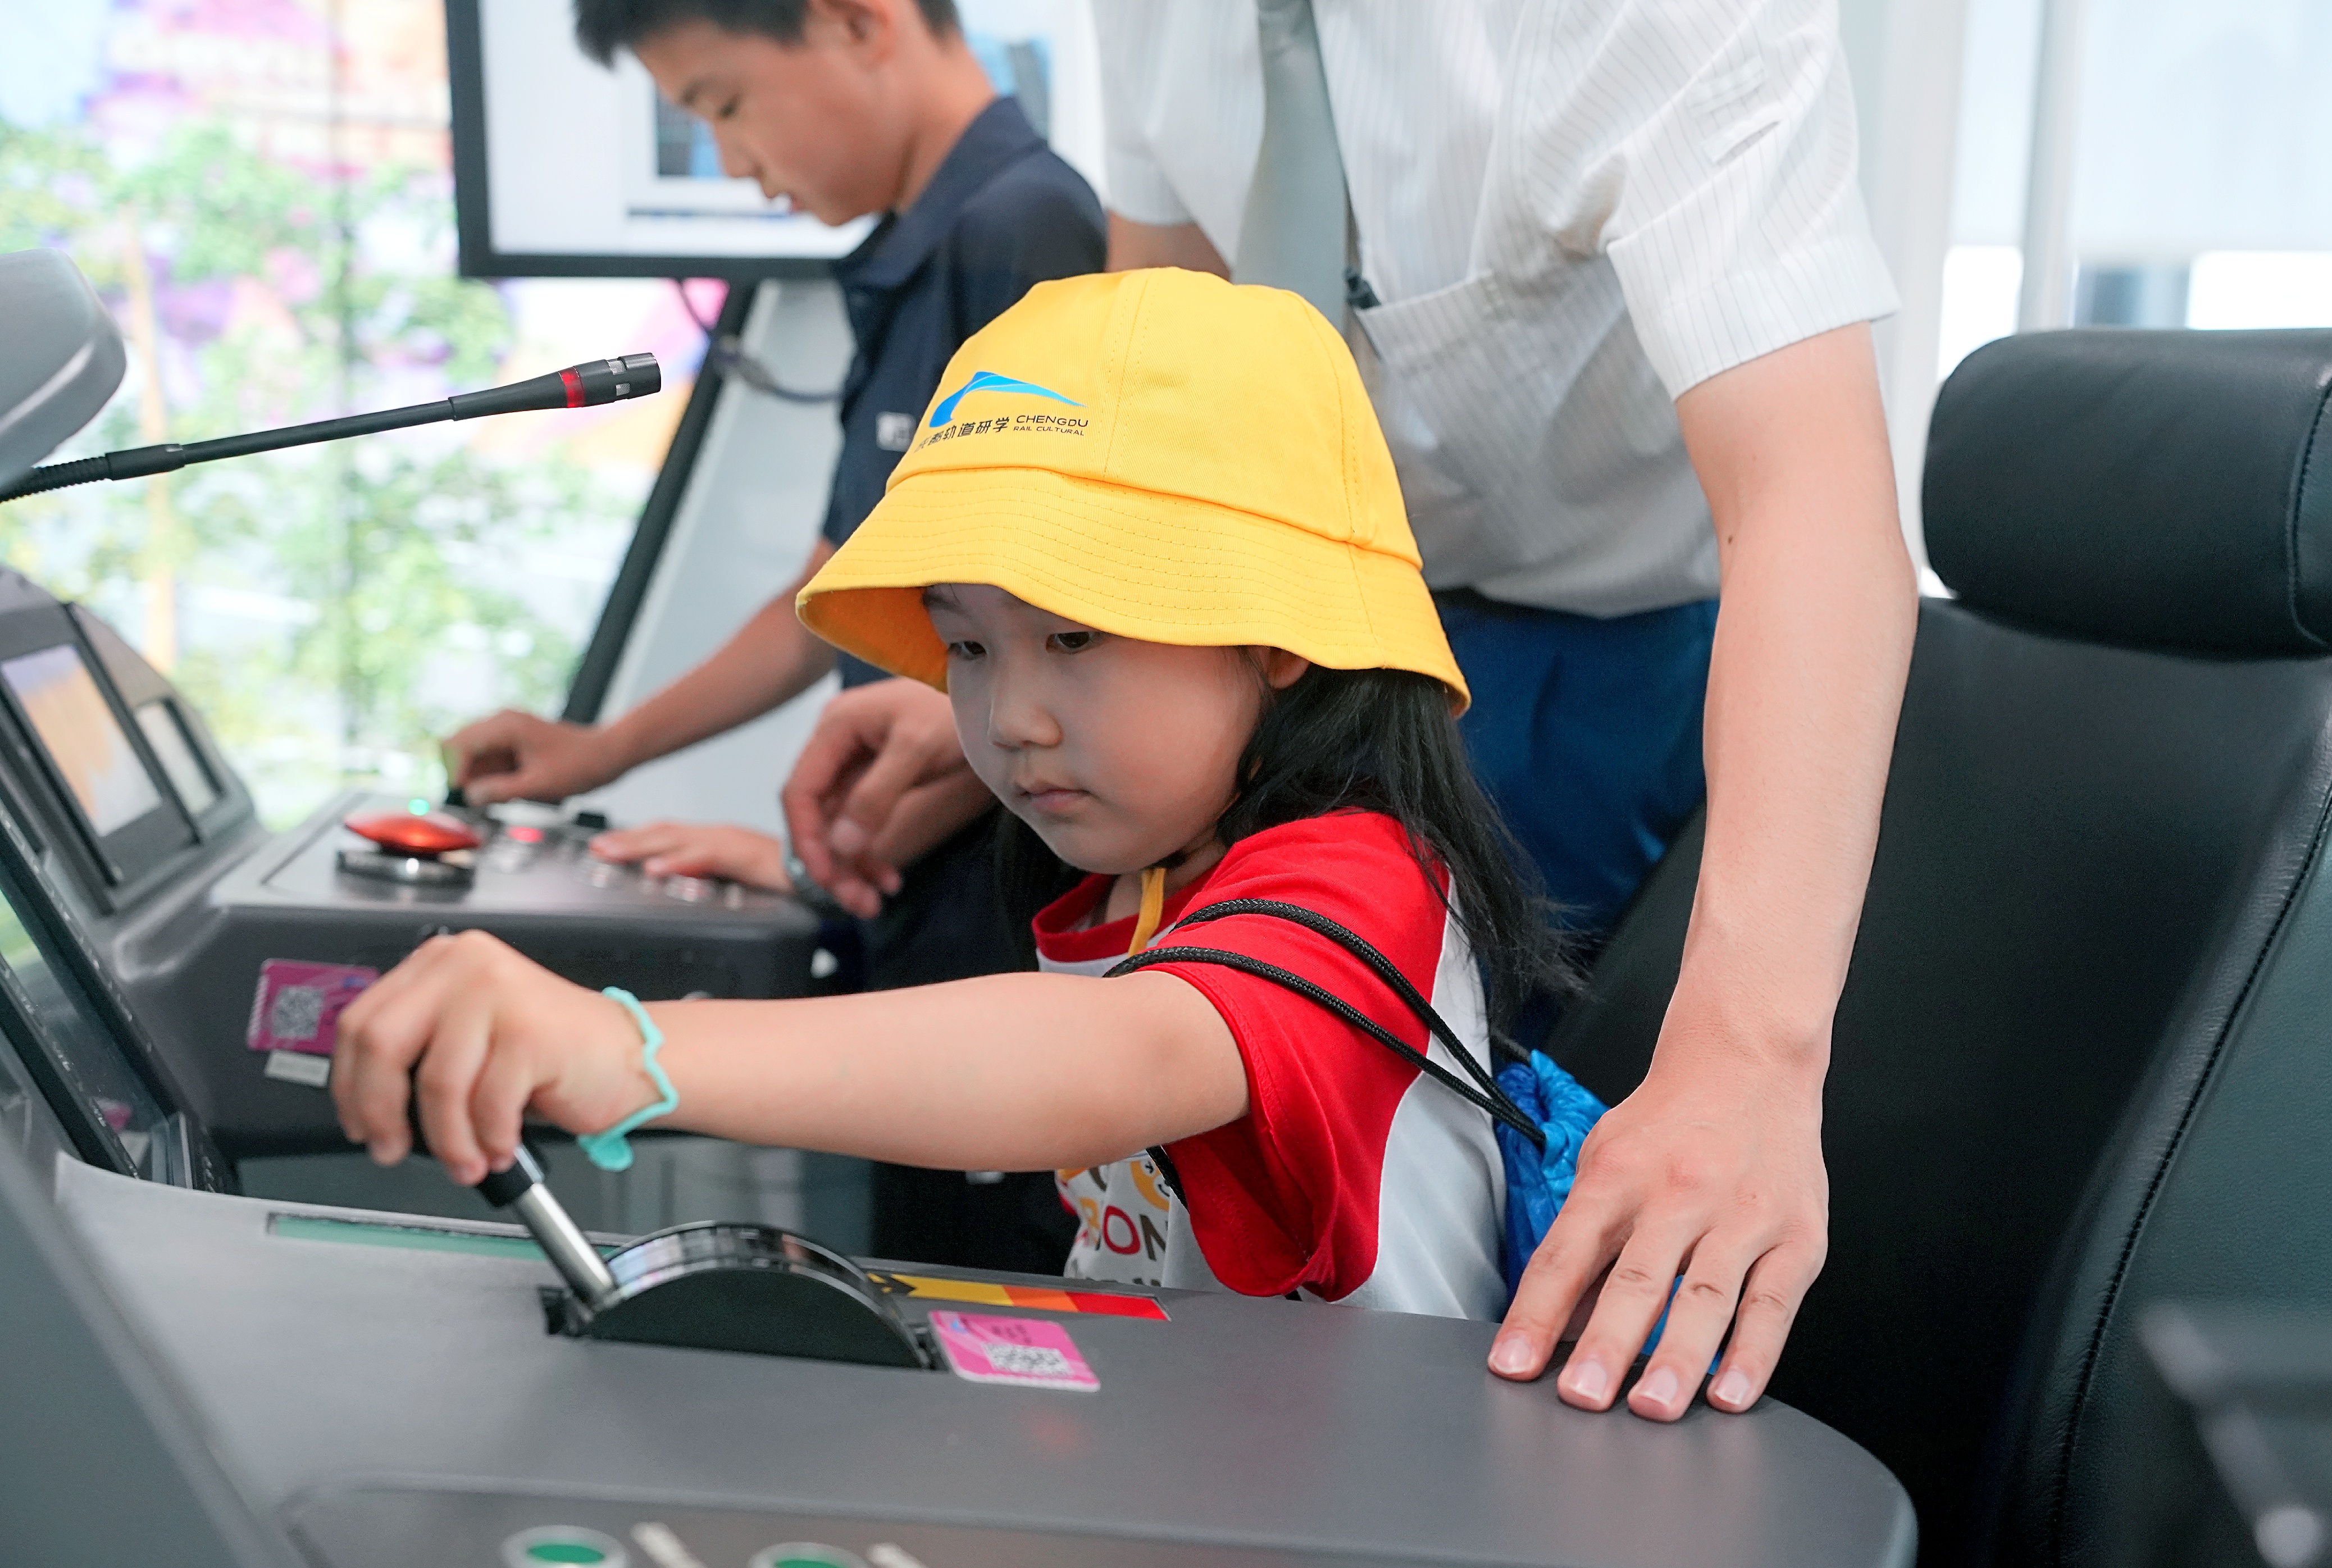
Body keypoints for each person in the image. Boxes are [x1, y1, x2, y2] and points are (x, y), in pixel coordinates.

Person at [780, 1, 1919, 1422]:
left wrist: (1748, 1055)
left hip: (1618, 651)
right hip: (1270, 655)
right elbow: (1153, 408)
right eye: (969, 648)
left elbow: (1810, 500)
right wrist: (1040, 668)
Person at [333, 269, 1572, 1317]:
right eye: (968, 646)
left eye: (1074, 637)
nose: (1007, 717)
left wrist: (630, 1049)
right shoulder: (1141, 874)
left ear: (1277, 635)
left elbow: (1118, 1053)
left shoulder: (1362, 885)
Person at [443, 0, 1106, 1272]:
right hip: (914, 899)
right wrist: (602, 749)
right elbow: (835, 585)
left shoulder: (1023, 232)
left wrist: (825, 857)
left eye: (727, 106)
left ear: (857, 24)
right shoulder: (916, 252)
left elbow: (1059, 633)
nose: (736, 164)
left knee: (994, 1302)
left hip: (1001, 918)